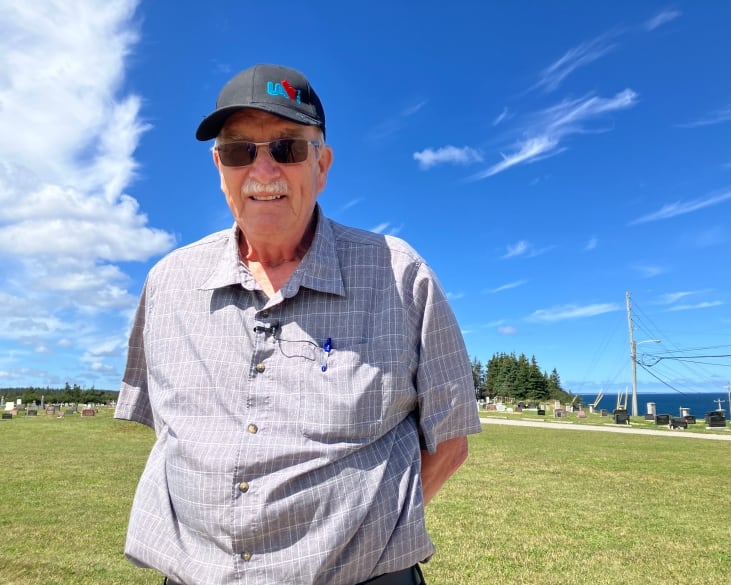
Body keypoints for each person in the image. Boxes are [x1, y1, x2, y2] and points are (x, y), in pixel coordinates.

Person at [115, 63, 481, 585]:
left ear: (322, 164)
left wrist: (364, 536)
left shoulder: (399, 275)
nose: (263, 172)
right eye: (241, 151)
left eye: (287, 148)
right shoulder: (168, 283)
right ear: (220, 167)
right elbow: (172, 433)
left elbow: (450, 441)